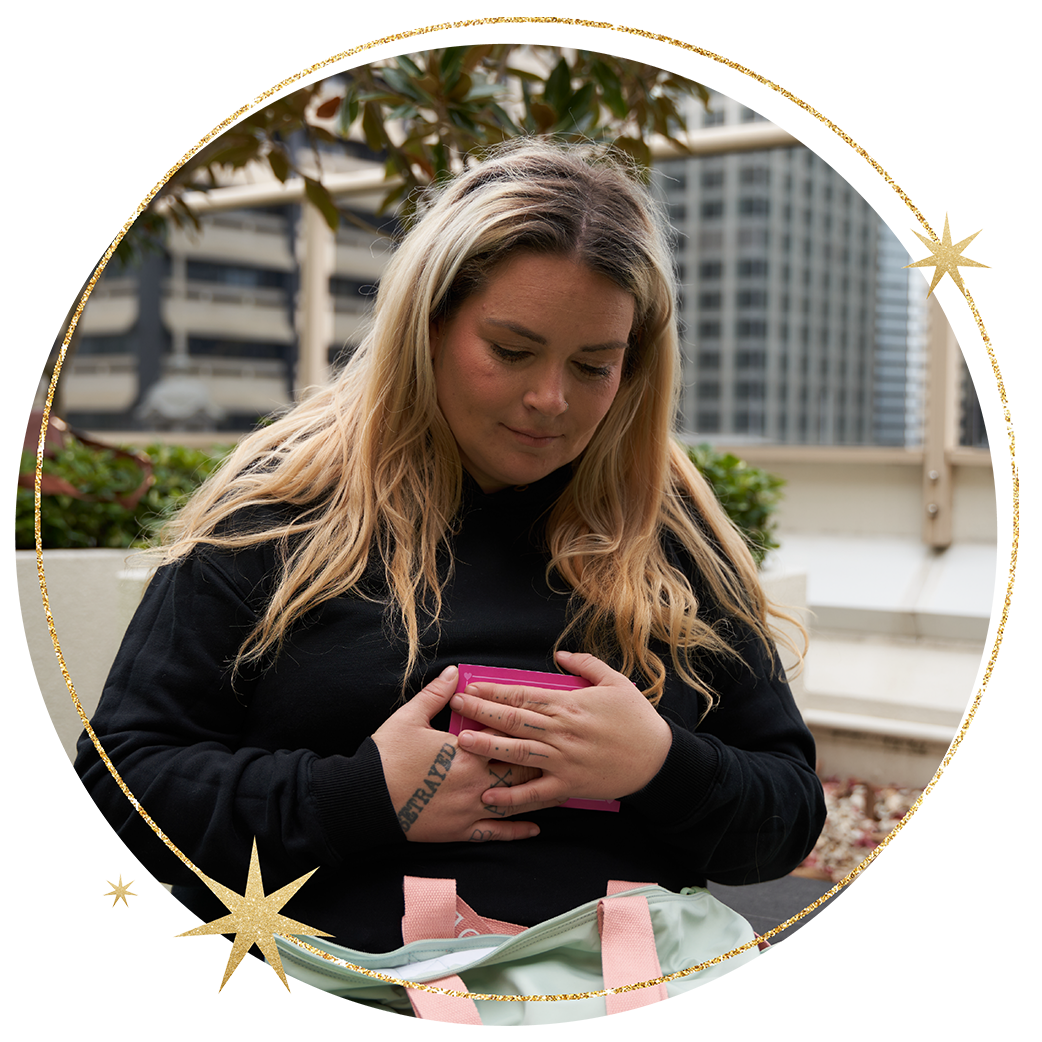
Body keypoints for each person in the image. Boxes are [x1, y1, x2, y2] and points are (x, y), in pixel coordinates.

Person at [76, 140, 826, 959]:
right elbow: (119, 791)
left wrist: (660, 764)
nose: (551, 400)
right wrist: (360, 796)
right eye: (509, 351)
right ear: (425, 326)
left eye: (594, 366)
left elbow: (783, 820)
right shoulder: (280, 506)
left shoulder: (668, 528)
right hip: (344, 997)